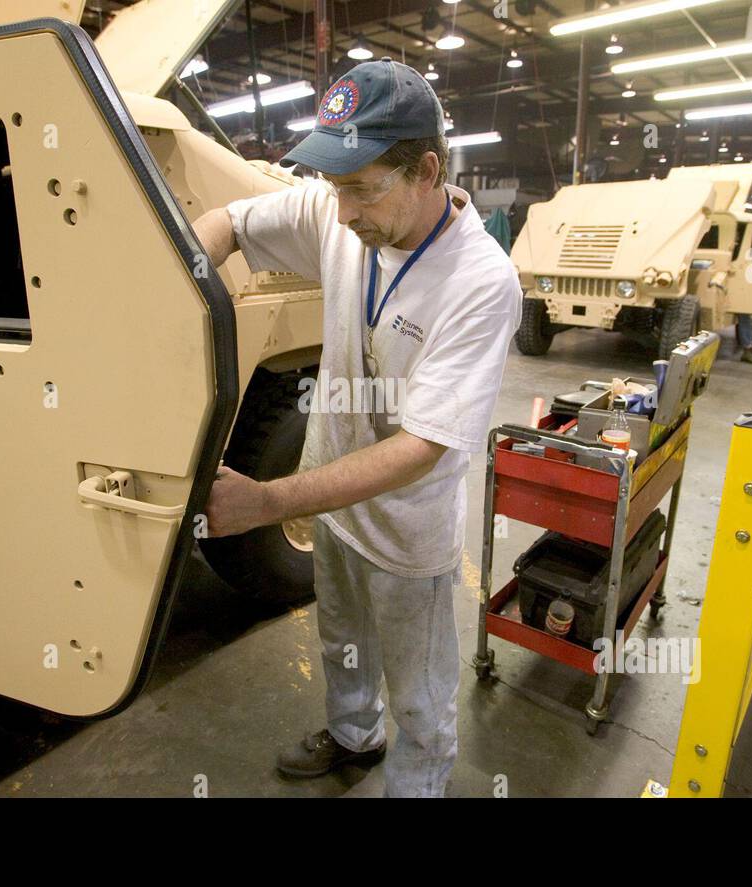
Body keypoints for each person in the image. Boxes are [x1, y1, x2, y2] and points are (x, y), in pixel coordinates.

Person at [192, 58, 521, 797]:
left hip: (408, 529)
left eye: (363, 189)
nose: (342, 212)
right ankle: (353, 734)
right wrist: (184, 275)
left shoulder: (479, 282)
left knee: (420, 686)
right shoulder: (341, 212)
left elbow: (418, 448)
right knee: (342, 642)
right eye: (338, 186)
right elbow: (228, 223)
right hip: (335, 507)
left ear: (427, 170)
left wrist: (274, 500)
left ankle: (417, 776)